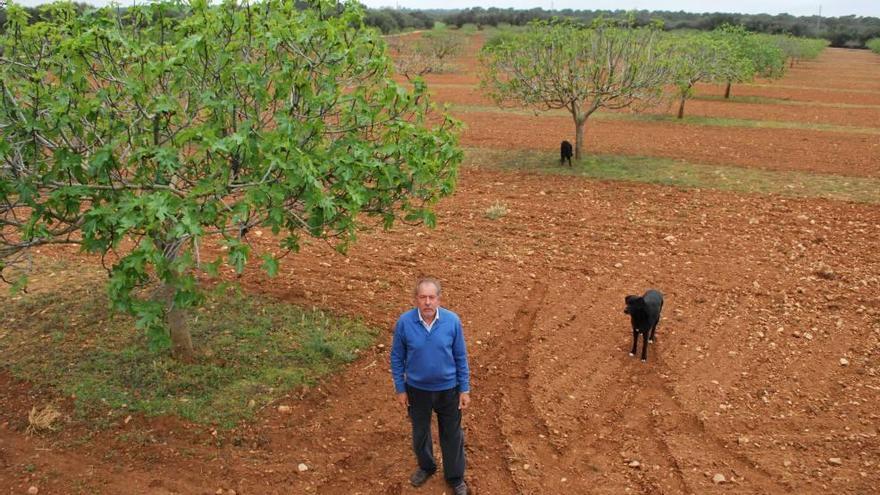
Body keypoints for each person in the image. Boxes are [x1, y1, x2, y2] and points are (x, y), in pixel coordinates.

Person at [390, 277, 471, 495]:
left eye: (431, 297)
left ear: (439, 299)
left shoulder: (452, 321)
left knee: (452, 435)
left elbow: (461, 356)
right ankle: (426, 466)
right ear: (416, 299)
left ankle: (455, 477)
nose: (427, 302)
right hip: (417, 390)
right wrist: (400, 388)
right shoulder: (405, 322)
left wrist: (464, 388)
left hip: (448, 390)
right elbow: (397, 357)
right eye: (423, 297)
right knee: (420, 432)